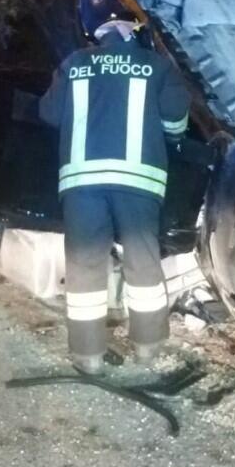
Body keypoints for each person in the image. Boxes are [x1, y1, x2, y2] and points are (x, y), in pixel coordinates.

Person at [39, 19, 190, 375]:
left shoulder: (74, 63)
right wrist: (169, 138)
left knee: (85, 265)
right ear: (134, 37)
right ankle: (147, 349)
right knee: (142, 261)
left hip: (81, 182)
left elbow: (48, 114)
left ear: (100, 39)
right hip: (138, 180)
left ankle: (88, 356)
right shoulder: (156, 66)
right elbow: (175, 119)